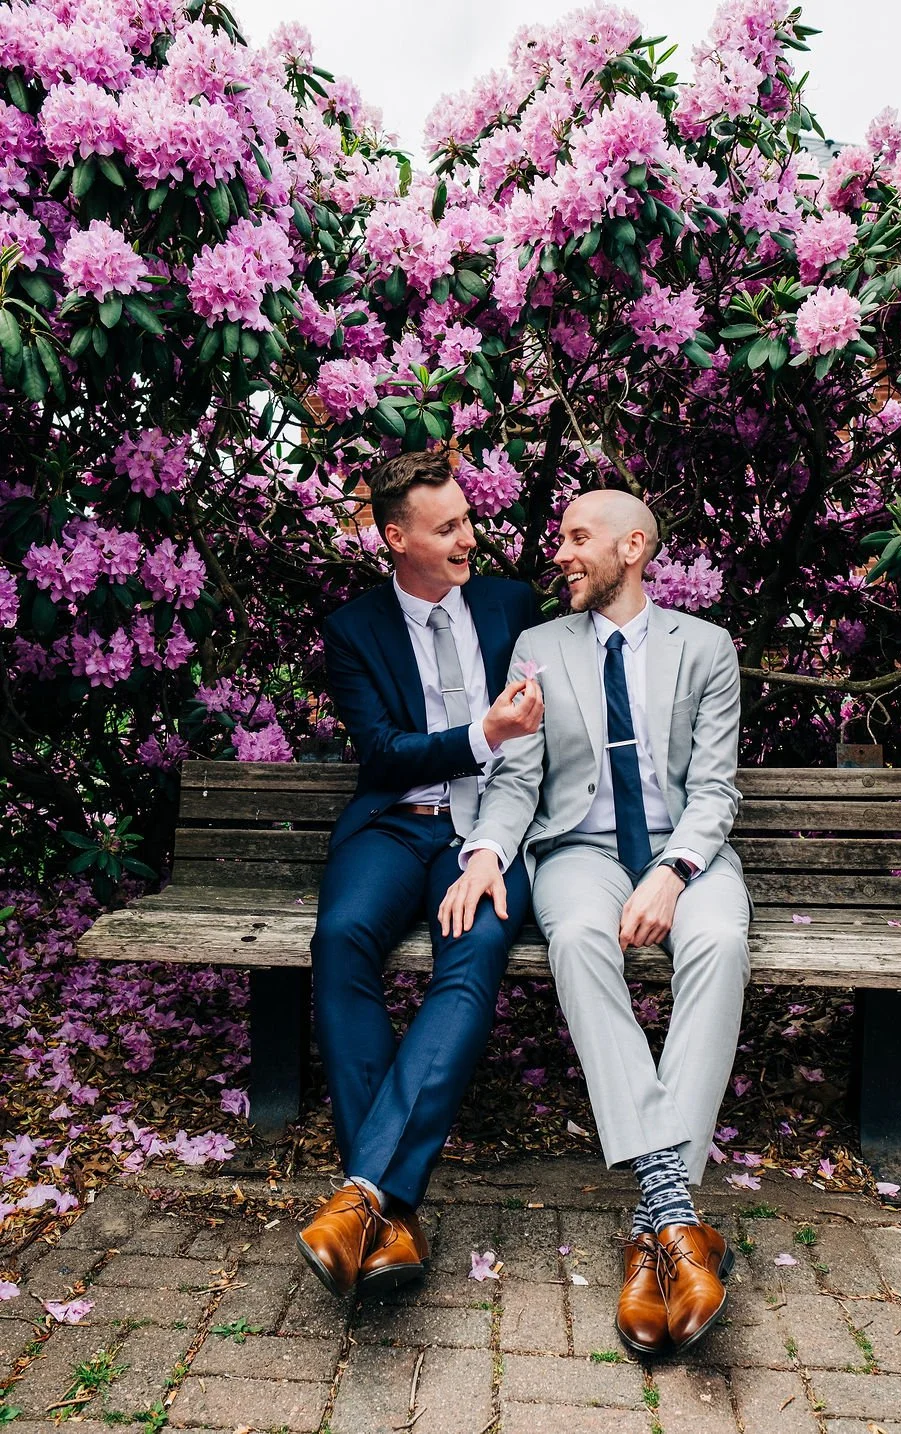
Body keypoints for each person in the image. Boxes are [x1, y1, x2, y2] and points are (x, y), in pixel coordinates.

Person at [439, 488, 750, 1356]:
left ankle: (658, 1224)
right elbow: (516, 778)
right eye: (562, 539)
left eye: (580, 538)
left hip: (688, 854)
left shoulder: (707, 649)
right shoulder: (539, 647)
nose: (563, 553)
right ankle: (679, 1220)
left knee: (721, 941)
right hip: (578, 850)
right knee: (576, 937)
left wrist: (674, 872)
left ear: (634, 547)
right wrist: (489, 852)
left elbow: (717, 788)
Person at [298, 451, 541, 1300]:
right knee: (341, 940)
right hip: (395, 825)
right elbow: (383, 756)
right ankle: (389, 1208)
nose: (470, 537)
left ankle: (361, 1198)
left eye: (469, 520)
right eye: (448, 529)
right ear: (395, 538)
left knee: (470, 958)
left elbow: (539, 752)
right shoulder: (353, 629)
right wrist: (482, 733)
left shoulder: (513, 607)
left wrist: (492, 846)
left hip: (484, 835)